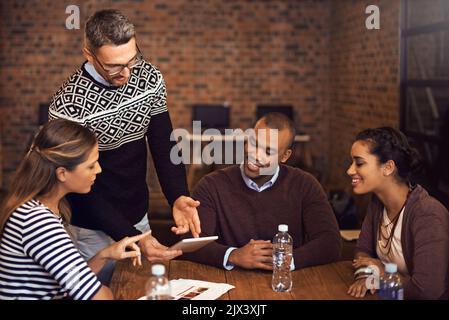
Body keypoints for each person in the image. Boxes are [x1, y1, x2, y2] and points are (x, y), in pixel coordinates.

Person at [48, 9, 200, 284]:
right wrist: (133, 236)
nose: (127, 73)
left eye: (132, 59)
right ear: (89, 54)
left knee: (138, 290)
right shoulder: (68, 104)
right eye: (115, 66)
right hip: (89, 226)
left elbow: (163, 143)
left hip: (137, 214)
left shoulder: (150, 78)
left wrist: (178, 195)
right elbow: (78, 186)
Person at [0, 119, 147, 300]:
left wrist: (105, 255)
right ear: (62, 173)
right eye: (91, 165)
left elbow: (73, 282)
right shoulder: (38, 222)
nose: (99, 170)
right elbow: (100, 297)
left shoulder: (43, 208)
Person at [183, 113, 341, 270]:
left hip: (285, 285)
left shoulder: (305, 185)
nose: (256, 155)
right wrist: (234, 255)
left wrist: (285, 260)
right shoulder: (211, 185)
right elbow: (191, 243)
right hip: (228, 283)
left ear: (285, 156)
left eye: (268, 151)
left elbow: (330, 242)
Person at [347, 127, 449, 299]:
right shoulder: (377, 203)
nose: (349, 170)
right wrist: (367, 275)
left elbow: (428, 290)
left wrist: (381, 275)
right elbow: (363, 252)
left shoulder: (428, 214)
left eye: (359, 163)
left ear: (388, 167)